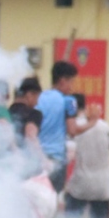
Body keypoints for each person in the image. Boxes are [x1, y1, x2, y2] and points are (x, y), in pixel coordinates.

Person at [35, 61, 92, 192]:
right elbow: (72, 130)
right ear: (62, 81)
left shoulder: (40, 98)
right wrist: (92, 122)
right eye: (71, 81)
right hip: (56, 158)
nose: (72, 86)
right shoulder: (69, 101)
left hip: (38, 157)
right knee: (52, 199)